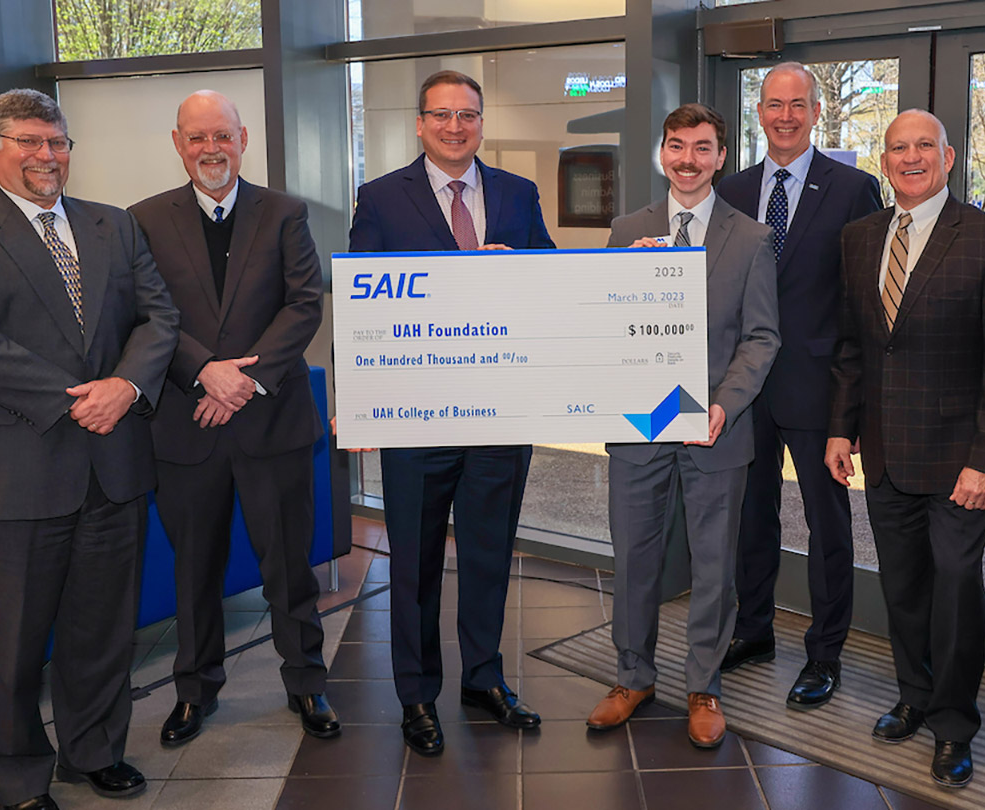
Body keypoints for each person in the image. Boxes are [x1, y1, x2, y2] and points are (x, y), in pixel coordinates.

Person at [0, 88, 178, 810]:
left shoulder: (113, 225)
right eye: (29, 141)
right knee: (7, 647)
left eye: (57, 142)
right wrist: (81, 399)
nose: (47, 156)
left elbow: (159, 318)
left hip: (113, 468)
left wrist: (123, 386)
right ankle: (17, 779)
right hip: (10, 475)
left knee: (102, 631)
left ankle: (93, 752)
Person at [347, 69, 554, 756]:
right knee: (413, 562)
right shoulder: (379, 199)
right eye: (442, 115)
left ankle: (484, 679)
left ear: (481, 122)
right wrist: (358, 402)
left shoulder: (519, 196)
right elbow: (361, 309)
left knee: (490, 554)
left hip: (499, 410)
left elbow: (551, 279)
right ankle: (416, 694)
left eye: (468, 114)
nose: (456, 126)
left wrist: (514, 270)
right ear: (420, 123)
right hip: (416, 417)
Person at [825, 109, 985, 788]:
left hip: (958, 462)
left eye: (923, 147)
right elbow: (853, 347)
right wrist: (838, 428)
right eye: (897, 148)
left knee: (954, 592)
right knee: (904, 589)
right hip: (884, 452)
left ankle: (953, 724)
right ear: (884, 161)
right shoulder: (859, 238)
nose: (910, 157)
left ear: (947, 157)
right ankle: (913, 696)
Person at [128, 90, 337, 747]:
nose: (210, 148)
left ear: (243, 139)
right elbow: (146, 313)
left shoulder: (285, 213)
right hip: (186, 429)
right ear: (177, 142)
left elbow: (304, 305)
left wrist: (243, 379)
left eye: (222, 134)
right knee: (194, 574)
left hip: (270, 424)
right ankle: (195, 693)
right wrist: (205, 372)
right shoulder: (143, 221)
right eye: (197, 137)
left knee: (289, 571)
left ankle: (306, 683)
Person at [585, 103, 779, 749]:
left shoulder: (750, 238)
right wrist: (625, 276)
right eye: (676, 146)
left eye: (701, 148)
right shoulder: (625, 229)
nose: (688, 159)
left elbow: (760, 337)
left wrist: (726, 402)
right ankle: (632, 678)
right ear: (661, 153)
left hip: (716, 431)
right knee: (635, 559)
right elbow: (604, 322)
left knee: (715, 566)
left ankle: (704, 687)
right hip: (640, 426)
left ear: (721, 156)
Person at [716, 61, 883, 708]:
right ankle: (753, 631)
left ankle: (825, 653)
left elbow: (862, 304)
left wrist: (854, 408)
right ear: (759, 112)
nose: (785, 115)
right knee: (749, 520)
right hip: (744, 390)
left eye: (798, 104)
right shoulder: (730, 190)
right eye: (774, 104)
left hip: (820, 392)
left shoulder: (853, 189)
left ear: (817, 112)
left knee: (827, 527)